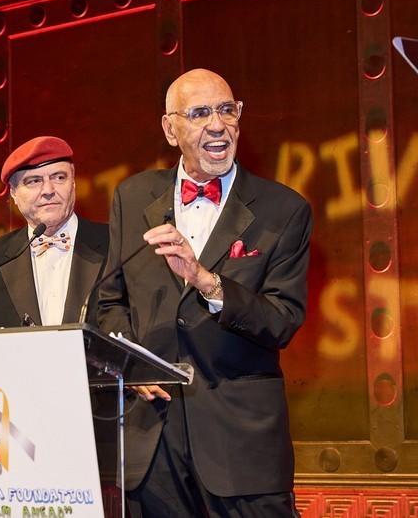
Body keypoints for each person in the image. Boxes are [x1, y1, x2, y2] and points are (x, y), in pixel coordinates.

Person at [97, 68, 312, 517]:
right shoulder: (132, 197)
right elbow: (110, 302)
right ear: (169, 129)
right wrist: (132, 364)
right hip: (152, 446)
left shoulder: (284, 209)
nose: (218, 125)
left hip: (241, 445)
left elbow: (283, 320)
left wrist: (205, 280)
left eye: (226, 110)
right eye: (199, 114)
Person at [0, 136, 109, 329]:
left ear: (73, 182)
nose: (48, 190)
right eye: (34, 181)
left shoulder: (117, 244)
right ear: (13, 193)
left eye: (59, 177)